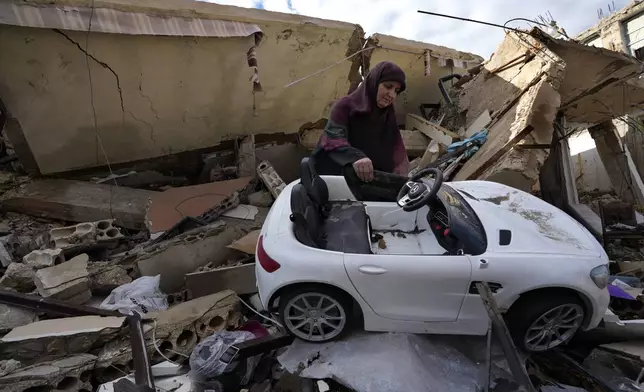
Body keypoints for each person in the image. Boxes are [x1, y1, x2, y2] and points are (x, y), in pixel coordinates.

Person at [311, 61, 409, 182]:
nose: (392, 95)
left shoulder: (387, 114)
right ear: (374, 82)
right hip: (334, 178)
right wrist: (356, 158)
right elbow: (332, 139)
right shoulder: (345, 106)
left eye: (396, 91)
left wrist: (400, 171)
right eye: (388, 86)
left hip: (367, 182)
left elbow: (396, 146)